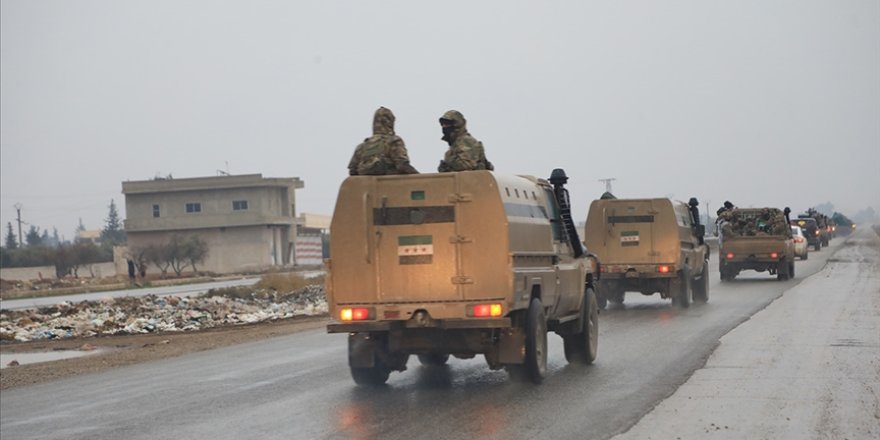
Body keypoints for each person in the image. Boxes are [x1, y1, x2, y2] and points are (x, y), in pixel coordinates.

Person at [348, 107, 418, 176]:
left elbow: (353, 171)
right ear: (389, 122)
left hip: (366, 186)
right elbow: (402, 165)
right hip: (390, 185)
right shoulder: (394, 141)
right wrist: (419, 178)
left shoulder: (361, 147)